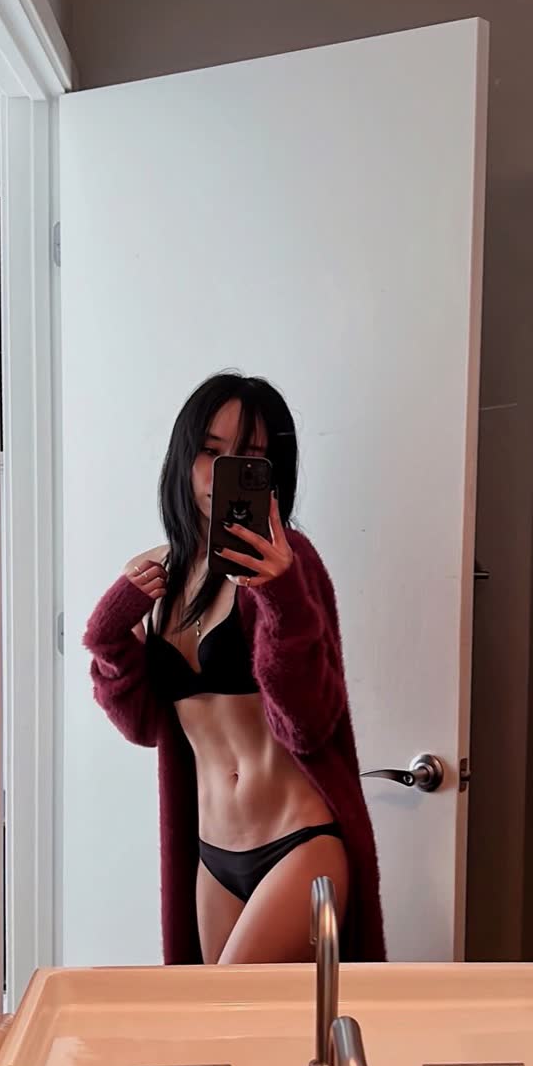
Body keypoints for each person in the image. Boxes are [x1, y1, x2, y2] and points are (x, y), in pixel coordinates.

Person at [84, 373, 385, 965]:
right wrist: (108, 632)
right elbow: (143, 726)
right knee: (224, 1022)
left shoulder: (291, 564)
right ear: (183, 456)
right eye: (209, 450)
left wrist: (282, 596)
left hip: (298, 843)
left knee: (227, 1004)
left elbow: (307, 725)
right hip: (213, 854)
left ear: (271, 472)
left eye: (247, 457)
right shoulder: (159, 573)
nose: (219, 472)